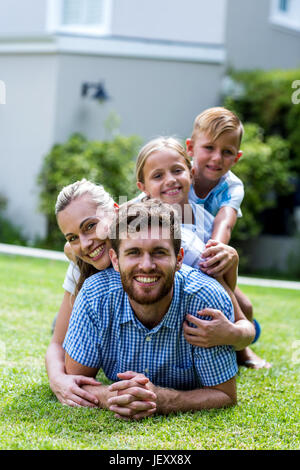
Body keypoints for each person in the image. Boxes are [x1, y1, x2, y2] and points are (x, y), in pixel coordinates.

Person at [63, 200, 238, 419]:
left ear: (179, 259)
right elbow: (75, 382)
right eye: (134, 252)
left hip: (234, 325)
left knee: (248, 331)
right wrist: (114, 397)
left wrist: (162, 399)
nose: (146, 265)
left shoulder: (206, 298)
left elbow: (225, 394)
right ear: (115, 261)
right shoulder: (94, 294)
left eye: (159, 252)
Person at [135, 136, 255, 350]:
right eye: (158, 175)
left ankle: (243, 351)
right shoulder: (138, 218)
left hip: (199, 292)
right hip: (157, 297)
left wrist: (231, 260)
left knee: (245, 307)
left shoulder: (203, 220)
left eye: (177, 171)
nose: (170, 179)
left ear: (191, 173)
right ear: (143, 187)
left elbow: (219, 279)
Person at [186, 107, 271, 369]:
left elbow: (225, 220)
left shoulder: (232, 186)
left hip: (205, 251)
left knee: (245, 305)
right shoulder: (180, 174)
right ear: (190, 148)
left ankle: (241, 351)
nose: (216, 158)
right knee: (236, 301)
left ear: (237, 157)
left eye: (227, 152)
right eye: (208, 148)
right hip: (179, 249)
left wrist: (217, 248)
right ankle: (243, 348)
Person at [45, 179, 118, 407]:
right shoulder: (80, 265)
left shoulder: (155, 248)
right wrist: (58, 379)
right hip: (82, 319)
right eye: (73, 238)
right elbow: (57, 343)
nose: (85, 244)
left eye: (90, 226)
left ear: (115, 213)